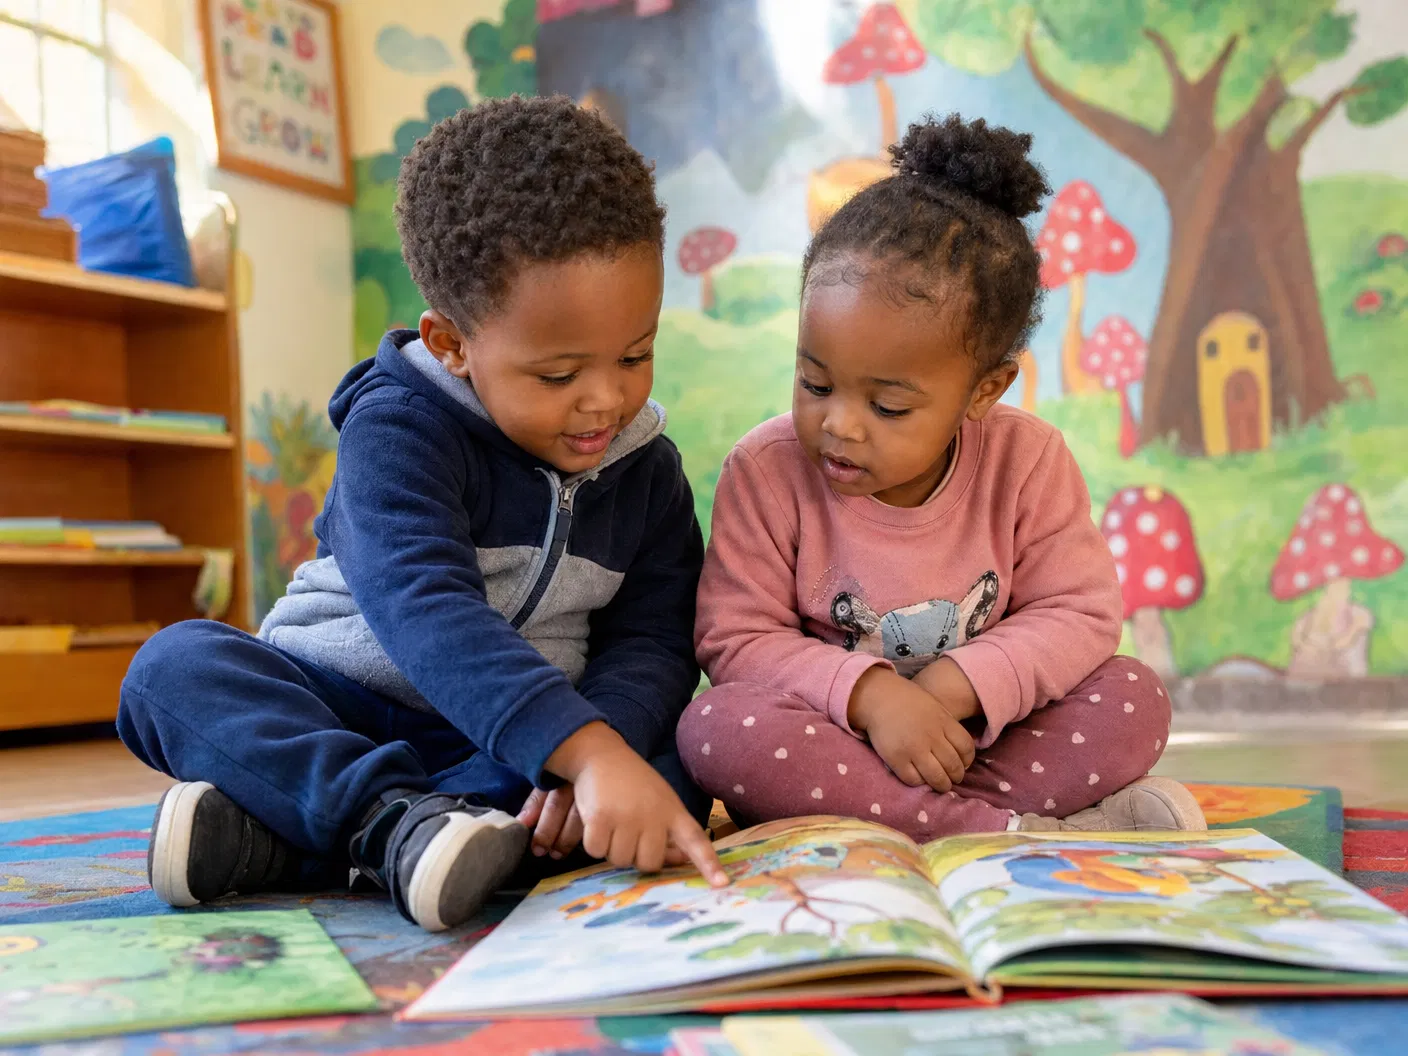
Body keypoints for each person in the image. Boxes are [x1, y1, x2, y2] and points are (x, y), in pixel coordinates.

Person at [118, 95, 727, 933]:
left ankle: (291, 834)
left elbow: (654, 638)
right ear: (450, 345)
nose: (607, 400)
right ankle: (391, 824)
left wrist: (602, 749)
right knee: (170, 668)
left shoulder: (650, 475)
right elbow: (424, 611)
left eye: (635, 355)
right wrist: (581, 753)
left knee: (676, 764)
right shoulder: (397, 430)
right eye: (557, 375)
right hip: (339, 704)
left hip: (503, 743)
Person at [678, 115, 1206, 841]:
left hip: (977, 741)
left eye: (889, 405)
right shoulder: (766, 471)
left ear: (984, 391)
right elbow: (734, 640)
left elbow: (1079, 614)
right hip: (836, 743)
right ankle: (1008, 830)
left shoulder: (1029, 460)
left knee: (1133, 697)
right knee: (716, 729)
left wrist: (951, 691)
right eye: (815, 383)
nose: (841, 425)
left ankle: (943, 821)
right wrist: (873, 700)